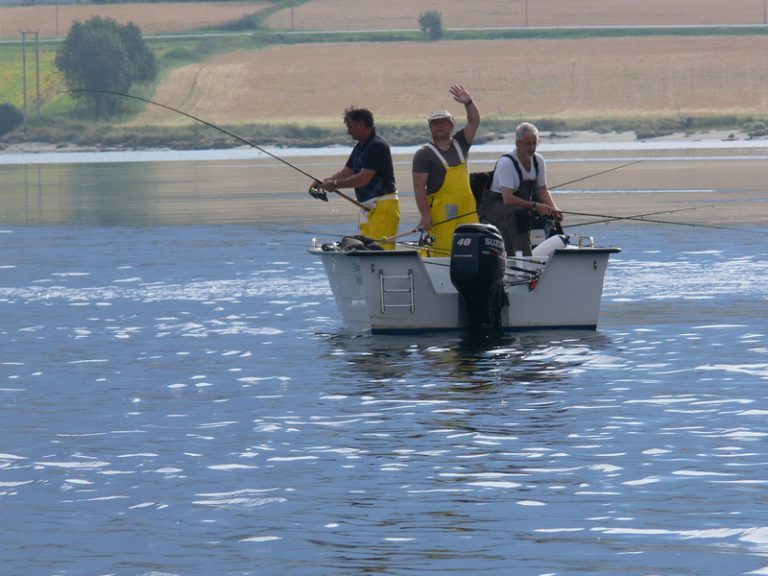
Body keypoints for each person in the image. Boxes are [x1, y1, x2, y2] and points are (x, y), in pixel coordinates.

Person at [316, 107, 399, 249]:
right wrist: (323, 182)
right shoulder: (361, 147)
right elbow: (346, 172)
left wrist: (335, 184)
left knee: (379, 250)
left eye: (350, 127)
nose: (348, 131)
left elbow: (363, 178)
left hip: (383, 207)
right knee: (367, 250)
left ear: (361, 124)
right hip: (368, 207)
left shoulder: (377, 145)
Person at [412, 84, 480, 256]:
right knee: (442, 252)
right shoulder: (423, 154)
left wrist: (469, 102)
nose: (439, 126)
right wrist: (425, 216)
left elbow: (474, 122)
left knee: (472, 250)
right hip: (441, 213)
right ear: (430, 127)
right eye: (435, 123)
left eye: (443, 122)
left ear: (451, 125)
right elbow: (419, 188)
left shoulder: (461, 143)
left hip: (467, 209)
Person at [479, 122, 562, 256]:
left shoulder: (538, 161)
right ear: (518, 144)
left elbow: (542, 190)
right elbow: (508, 199)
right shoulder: (507, 162)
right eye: (527, 144)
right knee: (519, 216)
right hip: (496, 203)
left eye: (534, 143)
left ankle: (557, 256)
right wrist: (535, 206)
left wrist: (554, 209)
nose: (532, 147)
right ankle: (524, 258)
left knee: (551, 217)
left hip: (521, 204)